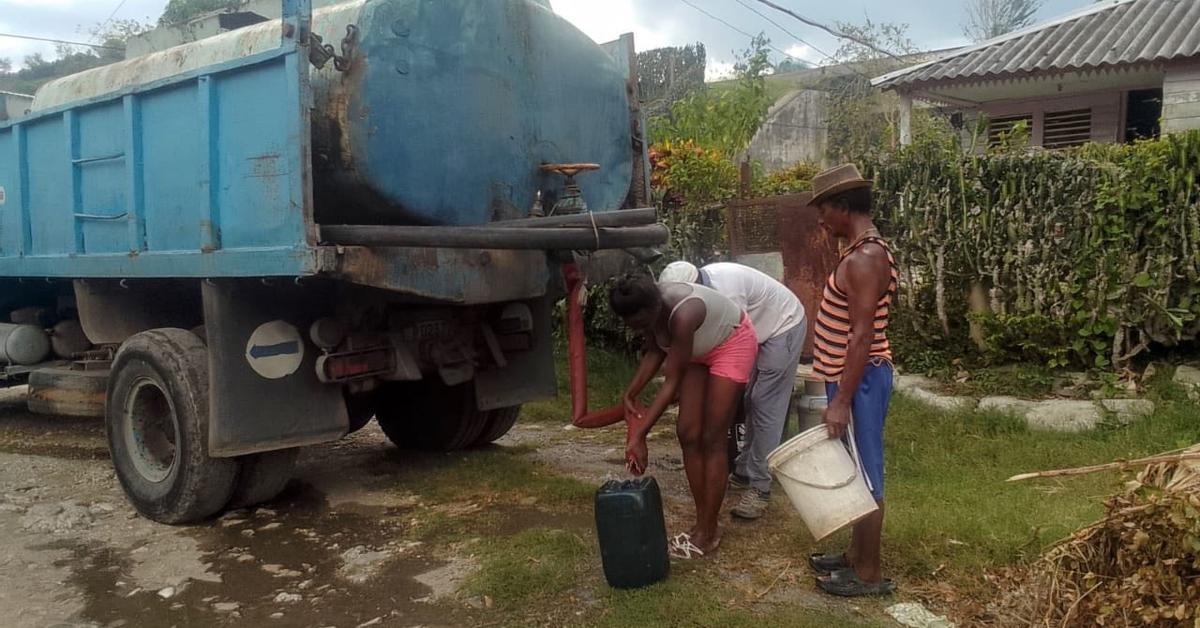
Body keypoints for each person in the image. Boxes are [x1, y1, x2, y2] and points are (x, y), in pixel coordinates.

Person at [610, 272, 757, 558]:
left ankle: (709, 531)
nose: (640, 330)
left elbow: (672, 382)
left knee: (712, 438)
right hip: (698, 351)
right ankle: (703, 520)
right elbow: (655, 350)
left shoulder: (684, 314)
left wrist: (640, 435)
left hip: (731, 343)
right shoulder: (649, 310)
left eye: (642, 324)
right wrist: (630, 393)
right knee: (687, 434)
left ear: (655, 309)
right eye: (633, 326)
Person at [807, 164, 898, 597]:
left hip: (859, 381)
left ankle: (869, 573)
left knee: (866, 475)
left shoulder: (867, 258)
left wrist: (841, 400)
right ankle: (855, 555)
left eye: (823, 210)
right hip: (850, 379)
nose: (821, 221)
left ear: (842, 206)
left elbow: (862, 336)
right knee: (854, 469)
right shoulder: (859, 251)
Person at [658, 261, 806, 520]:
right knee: (751, 400)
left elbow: (736, 342)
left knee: (764, 404)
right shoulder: (702, 288)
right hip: (760, 329)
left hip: (784, 325)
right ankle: (744, 470)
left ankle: (761, 486)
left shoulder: (725, 291)